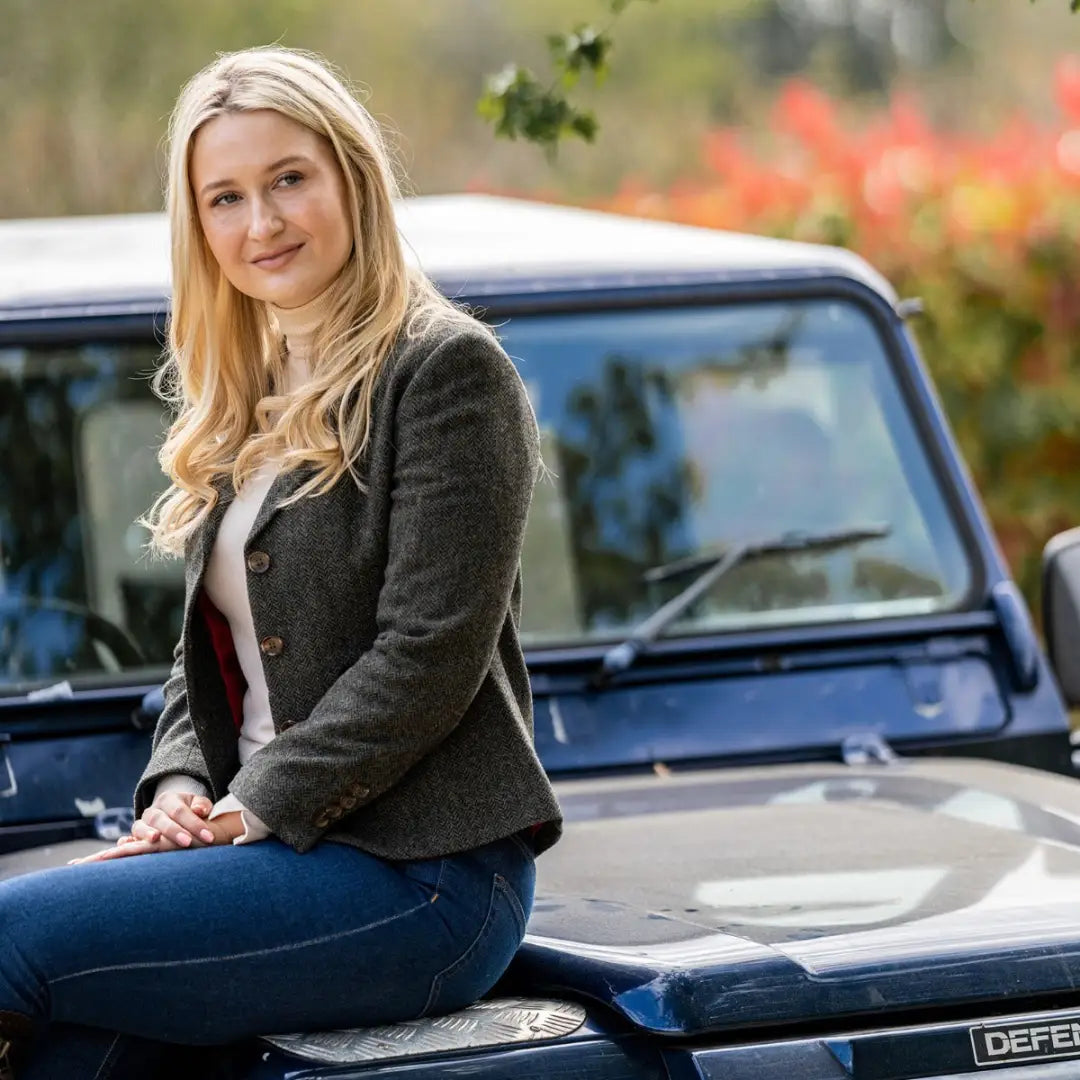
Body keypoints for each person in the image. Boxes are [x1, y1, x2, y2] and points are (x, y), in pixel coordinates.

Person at [0, 45, 562, 1079]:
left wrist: (246, 805)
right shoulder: (249, 387)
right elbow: (216, 657)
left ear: (351, 175)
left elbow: (429, 655)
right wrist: (176, 781)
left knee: (10, 934)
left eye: (289, 180)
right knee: (77, 1050)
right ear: (199, 225)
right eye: (226, 197)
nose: (261, 225)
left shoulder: (445, 372)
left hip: (422, 876)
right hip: (270, 847)